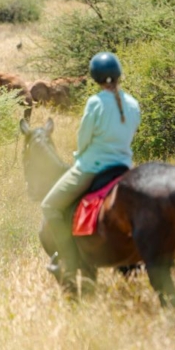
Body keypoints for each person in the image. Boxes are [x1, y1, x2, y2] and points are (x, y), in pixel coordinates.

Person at [40, 52, 141, 284]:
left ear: (95, 78)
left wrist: (79, 156)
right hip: (124, 167)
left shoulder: (95, 102)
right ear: (119, 75)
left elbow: (83, 138)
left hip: (93, 167)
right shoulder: (133, 103)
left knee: (50, 205)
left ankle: (68, 259)